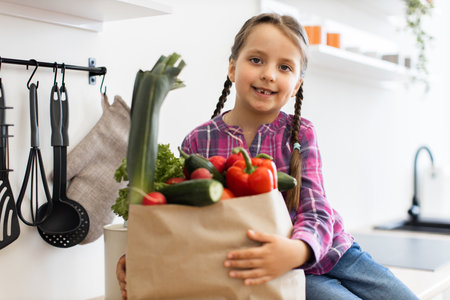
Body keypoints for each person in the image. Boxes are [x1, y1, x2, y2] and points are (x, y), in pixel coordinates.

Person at [117, 12, 418, 300]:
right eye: (257, 60)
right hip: (272, 267)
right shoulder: (199, 141)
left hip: (331, 250)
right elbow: (179, 220)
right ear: (232, 67)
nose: (269, 74)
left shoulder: (301, 134)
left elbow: (317, 211)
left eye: (285, 67)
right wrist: (138, 257)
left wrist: (298, 250)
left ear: (297, 84)